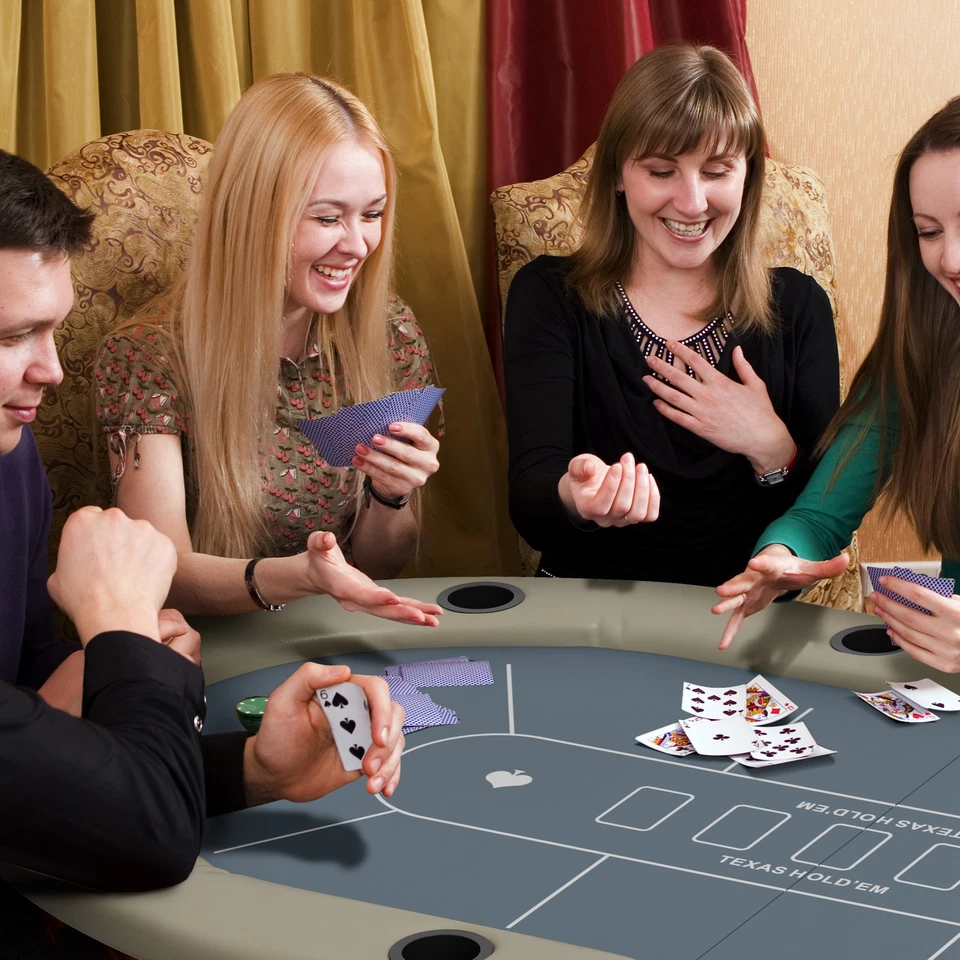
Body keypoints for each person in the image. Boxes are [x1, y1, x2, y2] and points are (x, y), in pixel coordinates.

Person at [0, 148, 405, 895]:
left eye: (51, 330)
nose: (51, 371)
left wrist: (253, 767)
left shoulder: (9, 451)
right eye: (10, 338)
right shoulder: (144, 358)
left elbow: (25, 687)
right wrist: (124, 633)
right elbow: (148, 841)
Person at [95, 74, 443, 623]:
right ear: (252, 213)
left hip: (343, 633)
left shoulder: (390, 330)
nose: (357, 245)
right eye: (327, 217)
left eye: (372, 214)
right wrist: (300, 576)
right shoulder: (148, 356)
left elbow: (385, 563)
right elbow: (163, 578)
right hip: (213, 651)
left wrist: (391, 495)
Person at [504, 45, 840, 587]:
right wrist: (578, 496)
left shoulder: (798, 308)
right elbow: (529, 498)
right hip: (592, 614)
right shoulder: (549, 296)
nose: (692, 202)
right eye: (662, 171)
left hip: (742, 616)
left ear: (747, 177)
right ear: (618, 174)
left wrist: (771, 445)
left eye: (717, 171)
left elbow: (828, 512)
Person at [713, 97, 960, 673]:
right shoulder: (917, 357)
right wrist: (780, 558)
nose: (950, 258)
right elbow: (820, 517)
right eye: (928, 231)